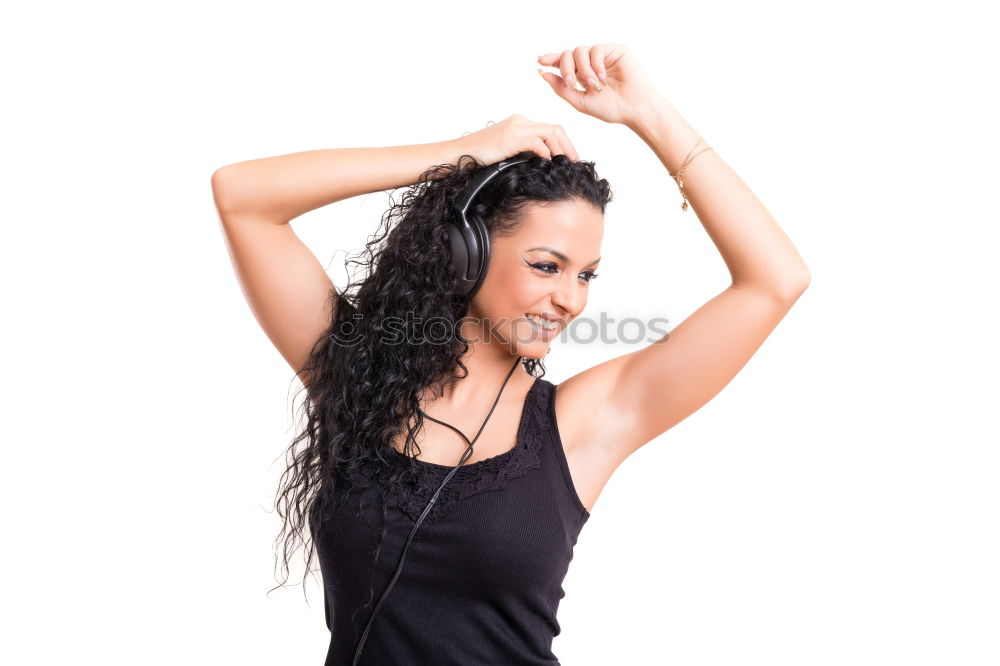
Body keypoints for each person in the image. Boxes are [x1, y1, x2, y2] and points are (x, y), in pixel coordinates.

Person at [211, 42, 810, 666]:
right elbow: (242, 197)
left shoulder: (582, 422)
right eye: (547, 266)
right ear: (466, 252)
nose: (570, 299)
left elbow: (775, 280)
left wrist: (648, 112)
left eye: (587, 276)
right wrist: (460, 155)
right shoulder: (356, 374)